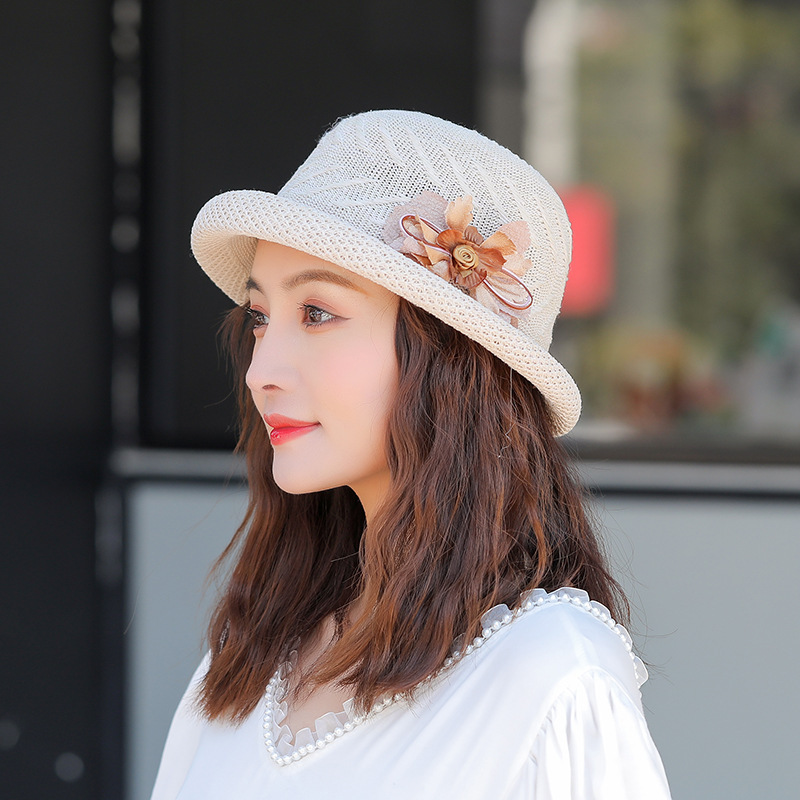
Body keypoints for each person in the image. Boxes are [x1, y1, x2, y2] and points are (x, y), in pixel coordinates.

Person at [150, 110, 671, 799]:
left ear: (450, 359)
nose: (259, 371)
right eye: (260, 318)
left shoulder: (551, 675)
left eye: (317, 314)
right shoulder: (252, 656)